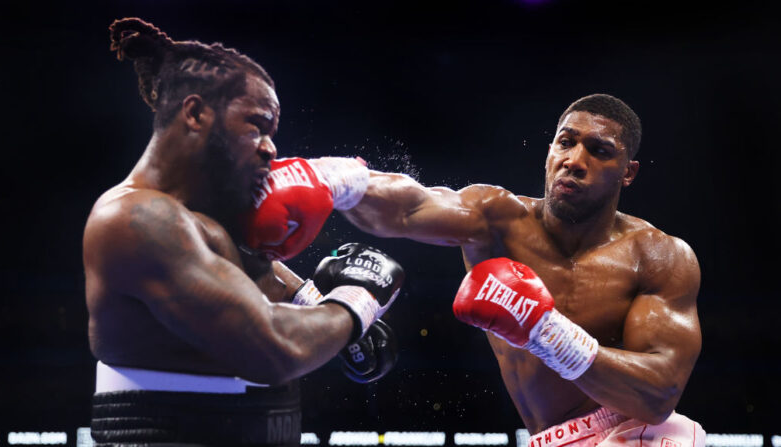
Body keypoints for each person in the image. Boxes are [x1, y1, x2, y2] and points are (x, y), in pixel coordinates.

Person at [83, 18, 403, 446]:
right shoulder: (136, 219)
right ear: (195, 113)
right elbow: (274, 349)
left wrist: (317, 303)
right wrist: (357, 301)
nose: (271, 147)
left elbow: (262, 286)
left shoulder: (208, 219)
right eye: (257, 126)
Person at [333, 94, 705, 446]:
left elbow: (658, 396)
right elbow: (409, 208)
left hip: (637, 431)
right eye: (566, 143)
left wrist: (545, 331)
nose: (575, 160)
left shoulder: (657, 255)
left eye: (599, 151)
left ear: (628, 172)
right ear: (549, 151)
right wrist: (335, 180)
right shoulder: (496, 218)